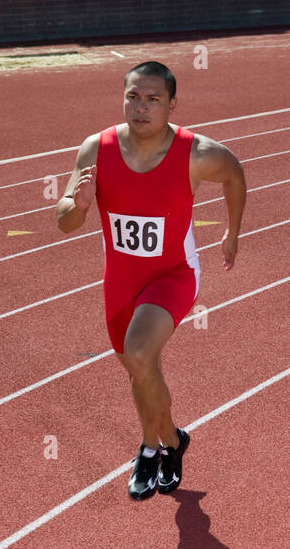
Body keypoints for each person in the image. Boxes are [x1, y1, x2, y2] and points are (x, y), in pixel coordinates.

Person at [57, 61, 246, 500]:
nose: (141, 107)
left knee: (140, 353)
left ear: (172, 104)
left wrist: (232, 232)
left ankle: (147, 450)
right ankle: (175, 441)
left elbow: (235, 173)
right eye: (133, 97)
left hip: (173, 275)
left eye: (153, 99)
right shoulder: (95, 150)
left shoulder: (195, 153)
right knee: (141, 371)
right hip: (120, 281)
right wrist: (80, 206)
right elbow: (64, 222)